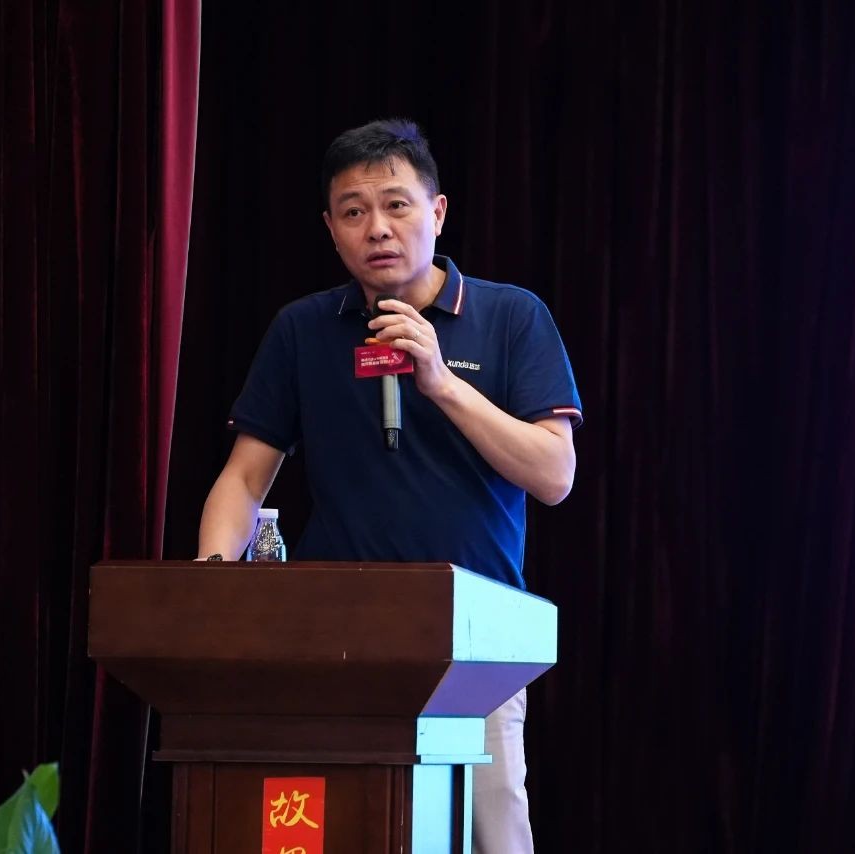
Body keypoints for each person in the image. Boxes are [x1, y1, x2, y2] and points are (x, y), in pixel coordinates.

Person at [196, 118, 582, 854]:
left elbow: (555, 475)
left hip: (476, 645)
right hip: (333, 640)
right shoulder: (303, 329)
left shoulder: (510, 316)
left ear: (437, 212)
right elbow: (244, 478)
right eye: (353, 211)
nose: (377, 227)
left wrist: (440, 381)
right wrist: (212, 587)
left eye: (396, 205)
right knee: (340, 832)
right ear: (331, 230)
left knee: (490, 836)